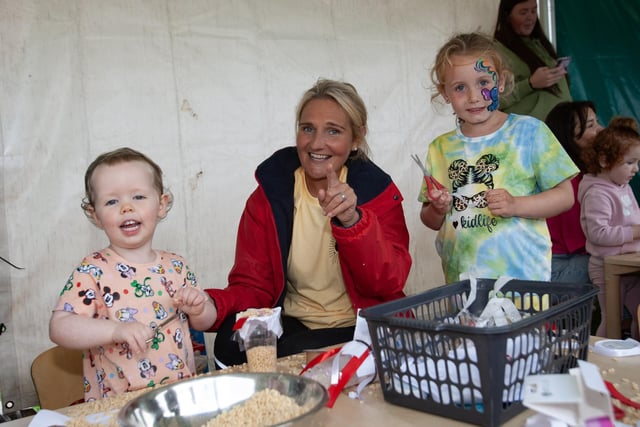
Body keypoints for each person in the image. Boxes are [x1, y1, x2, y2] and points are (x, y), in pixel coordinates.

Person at [206, 79, 412, 368]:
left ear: (356, 137)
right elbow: (254, 284)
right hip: (292, 321)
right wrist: (213, 306)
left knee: (288, 354)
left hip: (360, 326)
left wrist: (353, 221)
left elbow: (388, 282)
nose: (316, 143)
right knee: (230, 343)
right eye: (307, 129)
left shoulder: (376, 192)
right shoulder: (269, 193)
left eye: (333, 131)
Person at [49, 147, 216, 401]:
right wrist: (115, 331)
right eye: (112, 201)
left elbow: (205, 322)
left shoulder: (176, 266)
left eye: (138, 196)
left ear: (161, 204)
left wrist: (200, 308)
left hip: (179, 399)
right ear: (95, 215)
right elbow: (59, 328)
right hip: (118, 408)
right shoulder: (93, 270)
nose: (126, 208)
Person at [419, 32, 578, 284]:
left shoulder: (530, 132)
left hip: (524, 279)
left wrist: (515, 205)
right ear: (445, 93)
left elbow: (565, 196)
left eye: (484, 82)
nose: (474, 96)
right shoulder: (440, 148)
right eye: (460, 87)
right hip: (463, 284)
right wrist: (437, 208)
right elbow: (429, 219)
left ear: (501, 82)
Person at [579, 118, 640, 339]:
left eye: (637, 163)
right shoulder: (597, 193)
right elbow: (598, 234)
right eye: (629, 162)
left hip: (629, 265)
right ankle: (604, 363)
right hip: (607, 268)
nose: (635, 169)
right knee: (611, 319)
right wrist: (635, 232)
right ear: (605, 161)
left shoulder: (624, 187)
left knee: (638, 313)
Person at [545, 101, 603, 283]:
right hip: (560, 265)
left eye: (597, 122)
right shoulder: (566, 178)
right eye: (591, 125)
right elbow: (581, 242)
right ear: (569, 136)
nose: (602, 130)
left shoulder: (587, 172)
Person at [493, 0, 572, 120]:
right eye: (523, 12)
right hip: (529, 131)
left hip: (561, 126)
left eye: (534, 11)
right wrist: (530, 84)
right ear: (507, 16)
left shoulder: (538, 43)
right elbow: (492, 98)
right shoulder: (496, 50)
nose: (530, 18)